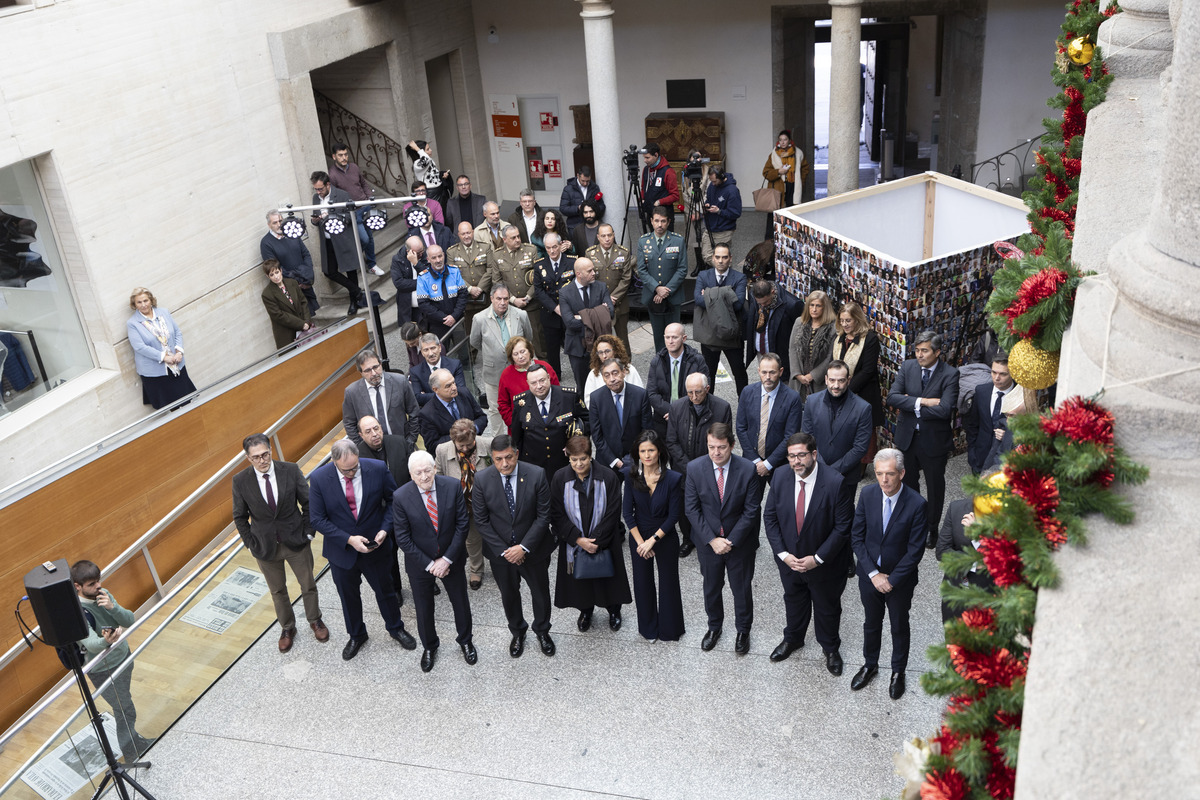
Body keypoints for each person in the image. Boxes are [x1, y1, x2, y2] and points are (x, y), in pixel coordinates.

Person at [307, 440, 417, 660]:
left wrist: (385, 529)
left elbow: (394, 502)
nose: (351, 473)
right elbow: (317, 519)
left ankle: (395, 628)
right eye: (345, 470)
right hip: (342, 551)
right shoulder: (319, 479)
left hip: (375, 546)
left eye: (354, 467)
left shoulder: (375, 468)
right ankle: (357, 634)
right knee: (348, 597)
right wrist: (348, 539)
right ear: (334, 462)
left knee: (385, 591)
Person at [762, 432, 853, 675]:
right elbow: (770, 517)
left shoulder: (835, 482)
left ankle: (830, 648)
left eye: (801, 455)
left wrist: (818, 559)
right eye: (791, 456)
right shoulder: (780, 476)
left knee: (827, 607)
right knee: (793, 600)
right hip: (789, 561)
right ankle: (793, 638)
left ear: (814, 454)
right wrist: (783, 554)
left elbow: (843, 527)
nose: (796, 461)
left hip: (824, 564)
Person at [232, 433, 327, 653]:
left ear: (271, 450)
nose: (262, 460)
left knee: (308, 584)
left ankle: (315, 620)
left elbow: (308, 502)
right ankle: (287, 628)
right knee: (277, 591)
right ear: (248, 458)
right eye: (256, 457)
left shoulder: (290, 470)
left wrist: (309, 533)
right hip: (265, 547)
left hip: (296, 541)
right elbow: (239, 516)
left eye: (265, 454)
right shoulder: (240, 480)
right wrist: (250, 543)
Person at [849, 449, 927, 700]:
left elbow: (915, 552)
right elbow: (857, 537)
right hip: (869, 576)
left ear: (902, 473)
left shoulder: (917, 504)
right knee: (871, 623)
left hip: (899, 581)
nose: (884, 480)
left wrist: (890, 580)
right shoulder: (867, 494)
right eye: (880, 473)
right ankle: (870, 664)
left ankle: (898, 672)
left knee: (898, 626)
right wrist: (873, 574)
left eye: (890, 474)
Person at [392, 451, 476, 672]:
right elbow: (403, 538)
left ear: (435, 469)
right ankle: (429, 646)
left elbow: (462, 525)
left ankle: (466, 641)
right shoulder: (401, 497)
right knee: (423, 608)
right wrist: (431, 565)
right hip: (420, 565)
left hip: (452, 559)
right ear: (411, 475)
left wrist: (446, 560)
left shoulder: (452, 486)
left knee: (460, 602)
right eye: (418, 473)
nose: (424, 476)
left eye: (427, 470)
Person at [684, 422, 764, 655]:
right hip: (708, 544)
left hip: (738, 544)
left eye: (721, 447)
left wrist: (730, 541)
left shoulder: (748, 469)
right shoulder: (695, 468)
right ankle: (714, 627)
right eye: (711, 447)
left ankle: (743, 631)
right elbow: (692, 509)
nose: (716, 453)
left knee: (741, 589)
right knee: (711, 587)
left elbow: (751, 510)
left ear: (731, 445)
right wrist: (712, 540)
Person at [472, 435, 555, 657]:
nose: (505, 464)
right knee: (509, 595)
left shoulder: (536, 474)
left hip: (533, 551)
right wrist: (506, 551)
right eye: (499, 459)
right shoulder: (481, 479)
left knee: (540, 594)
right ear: (492, 458)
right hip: (501, 556)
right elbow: (481, 520)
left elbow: (543, 516)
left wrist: (523, 547)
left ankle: (542, 630)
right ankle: (517, 632)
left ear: (516, 453)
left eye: (509, 457)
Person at [71, 560, 156, 759]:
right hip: (102, 670)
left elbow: (129, 620)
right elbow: (91, 644)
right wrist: (106, 642)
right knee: (125, 708)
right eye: (91, 584)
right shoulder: (76, 612)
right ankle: (130, 752)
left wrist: (112, 608)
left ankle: (134, 741)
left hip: (123, 658)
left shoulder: (104, 595)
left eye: (98, 581)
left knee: (124, 704)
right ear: (78, 587)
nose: (98, 586)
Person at [886, 330, 960, 550]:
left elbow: (946, 410)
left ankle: (931, 527)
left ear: (937, 352)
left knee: (935, 486)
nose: (919, 355)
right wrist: (924, 402)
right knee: (908, 483)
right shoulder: (908, 367)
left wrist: (910, 404)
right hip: (907, 438)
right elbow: (892, 397)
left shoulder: (950, 374)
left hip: (934, 441)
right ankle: (916, 520)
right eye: (917, 350)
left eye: (924, 351)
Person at [551, 435, 631, 632]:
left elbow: (613, 511)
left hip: (604, 541)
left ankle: (613, 610)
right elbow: (556, 513)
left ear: (591, 456)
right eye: (574, 460)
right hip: (574, 542)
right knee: (581, 584)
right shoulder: (560, 478)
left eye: (583, 459)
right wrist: (578, 539)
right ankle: (585, 610)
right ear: (568, 458)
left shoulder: (608, 477)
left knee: (608, 580)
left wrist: (595, 540)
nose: (579, 464)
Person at [622, 430, 685, 641]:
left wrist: (653, 540)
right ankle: (648, 629)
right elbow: (627, 514)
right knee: (642, 583)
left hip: (664, 536)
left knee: (669, 582)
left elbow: (674, 515)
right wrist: (641, 543)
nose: (647, 455)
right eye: (643, 451)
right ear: (637, 453)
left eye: (651, 450)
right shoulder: (631, 476)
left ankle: (670, 630)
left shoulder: (673, 478)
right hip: (639, 536)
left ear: (659, 452)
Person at [665, 372, 732, 558]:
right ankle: (688, 539)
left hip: (710, 467)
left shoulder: (722, 408)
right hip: (683, 469)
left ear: (707, 389)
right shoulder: (677, 407)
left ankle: (710, 536)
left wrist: (703, 467)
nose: (694, 397)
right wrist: (690, 467)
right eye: (690, 393)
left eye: (698, 392)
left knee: (710, 503)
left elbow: (724, 442)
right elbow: (671, 441)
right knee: (686, 507)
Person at [801, 361, 873, 504]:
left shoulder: (863, 408)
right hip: (815, 471)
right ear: (826, 379)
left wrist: (832, 471)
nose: (836, 385)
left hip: (846, 476)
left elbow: (860, 447)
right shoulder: (812, 401)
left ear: (848, 380)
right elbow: (807, 437)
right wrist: (820, 467)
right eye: (832, 380)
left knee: (843, 518)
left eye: (841, 381)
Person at [434, 419, 492, 591]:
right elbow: (439, 477)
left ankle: (500, 565)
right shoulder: (442, 450)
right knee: (472, 539)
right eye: (461, 446)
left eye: (469, 445)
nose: (465, 449)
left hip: (488, 503)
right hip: (463, 506)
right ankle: (476, 570)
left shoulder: (488, 444)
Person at [470, 283, 534, 434]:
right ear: (491, 299)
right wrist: (493, 352)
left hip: (519, 370)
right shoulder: (479, 319)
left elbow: (528, 337)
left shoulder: (521, 315)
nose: (503, 302)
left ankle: (525, 435)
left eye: (506, 298)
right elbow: (475, 342)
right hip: (493, 372)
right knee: (495, 409)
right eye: (499, 298)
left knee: (523, 404)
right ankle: (500, 440)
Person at [511, 362, 588, 477]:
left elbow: (588, 421)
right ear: (528, 384)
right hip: (534, 467)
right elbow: (517, 438)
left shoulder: (569, 397)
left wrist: (576, 445)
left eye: (542, 380)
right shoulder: (521, 403)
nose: (539, 386)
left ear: (548, 378)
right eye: (534, 383)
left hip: (565, 464)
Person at [126, 287, 197, 409]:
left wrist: (179, 352)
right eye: (139, 302)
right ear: (134, 304)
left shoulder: (164, 312)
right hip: (156, 372)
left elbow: (177, 332)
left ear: (151, 300)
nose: (143, 305)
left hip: (176, 364)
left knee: (187, 401)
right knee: (171, 407)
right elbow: (140, 347)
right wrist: (164, 357)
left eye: (145, 301)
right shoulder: (132, 323)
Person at [693, 242, 749, 395]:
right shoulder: (703, 276)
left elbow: (738, 304)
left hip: (732, 336)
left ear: (730, 259)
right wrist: (726, 293)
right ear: (712, 258)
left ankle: (744, 407)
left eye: (724, 257)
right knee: (708, 375)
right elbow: (698, 299)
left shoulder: (739, 277)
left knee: (739, 373)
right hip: (710, 336)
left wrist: (710, 294)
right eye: (717, 257)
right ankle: (707, 411)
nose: (721, 261)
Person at [736, 354, 803, 479]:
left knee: (782, 499)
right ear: (758, 371)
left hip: (779, 463)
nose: (767, 377)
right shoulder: (747, 392)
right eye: (764, 372)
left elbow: (790, 435)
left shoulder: (792, 398)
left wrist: (768, 464)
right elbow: (741, 428)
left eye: (772, 372)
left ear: (781, 371)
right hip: (752, 462)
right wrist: (756, 461)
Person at [310, 171, 366, 316]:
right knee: (329, 271)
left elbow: (350, 216)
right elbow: (315, 218)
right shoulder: (316, 198)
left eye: (320, 189)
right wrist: (315, 220)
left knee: (350, 270)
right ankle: (357, 291)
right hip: (327, 239)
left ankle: (354, 301)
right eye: (316, 189)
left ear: (328, 185)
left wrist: (333, 217)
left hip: (342, 237)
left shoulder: (342, 195)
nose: (318, 192)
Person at [834, 302, 885, 460]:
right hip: (841, 390)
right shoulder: (840, 337)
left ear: (857, 319)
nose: (844, 324)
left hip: (863, 393)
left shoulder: (869, 339)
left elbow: (868, 371)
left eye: (848, 320)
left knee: (863, 432)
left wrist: (845, 388)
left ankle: (862, 464)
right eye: (842, 320)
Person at [342, 350, 420, 450]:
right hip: (371, 450)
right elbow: (349, 424)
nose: (374, 373)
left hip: (402, 444)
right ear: (361, 372)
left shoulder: (400, 382)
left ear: (381, 364)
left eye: (376, 367)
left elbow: (415, 412)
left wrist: (410, 440)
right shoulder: (352, 392)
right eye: (368, 370)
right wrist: (362, 447)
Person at [637, 206, 689, 354]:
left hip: (673, 296)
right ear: (651, 221)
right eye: (657, 221)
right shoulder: (643, 242)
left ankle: (677, 361)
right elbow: (641, 270)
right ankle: (661, 365)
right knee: (659, 335)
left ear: (668, 222)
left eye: (663, 221)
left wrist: (666, 290)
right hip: (653, 297)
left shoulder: (678, 241)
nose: (660, 225)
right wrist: (657, 288)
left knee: (675, 335)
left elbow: (682, 269)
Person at [935, 497, 993, 624]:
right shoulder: (956, 508)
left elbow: (1001, 558)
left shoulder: (1009, 519)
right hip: (956, 590)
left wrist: (978, 537)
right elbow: (941, 551)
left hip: (989, 596)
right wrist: (973, 563)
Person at [487, 224, 543, 355]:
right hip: (510, 306)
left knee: (538, 341)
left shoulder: (531, 250)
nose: (518, 239)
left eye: (518, 236)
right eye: (513, 238)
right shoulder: (497, 255)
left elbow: (538, 277)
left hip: (531, 303)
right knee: (514, 343)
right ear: (505, 239)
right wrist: (512, 299)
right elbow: (497, 281)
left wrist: (528, 297)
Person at [559, 257, 614, 390]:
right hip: (577, 348)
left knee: (605, 383)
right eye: (590, 271)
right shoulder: (565, 292)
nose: (594, 273)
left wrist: (582, 317)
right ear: (579, 274)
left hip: (600, 345)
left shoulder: (601, 287)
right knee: (582, 387)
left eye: (593, 269)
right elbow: (570, 323)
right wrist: (599, 312)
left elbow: (610, 313)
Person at [590, 357, 653, 472]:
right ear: (603, 378)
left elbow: (647, 430)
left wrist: (637, 456)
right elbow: (597, 435)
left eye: (615, 373)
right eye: (607, 375)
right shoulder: (596, 399)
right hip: (608, 460)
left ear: (623, 372)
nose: (612, 379)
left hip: (636, 458)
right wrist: (614, 461)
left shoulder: (640, 395)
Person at [645, 322, 706, 442]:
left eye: (674, 337)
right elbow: (652, 393)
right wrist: (671, 411)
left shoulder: (697, 360)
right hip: (663, 418)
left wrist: (679, 413)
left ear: (684, 338)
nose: (670, 341)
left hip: (690, 416)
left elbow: (703, 390)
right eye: (667, 337)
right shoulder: (657, 361)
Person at [327, 141, 380, 274]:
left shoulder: (354, 167)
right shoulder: (331, 175)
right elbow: (335, 196)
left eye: (345, 154)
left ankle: (372, 265)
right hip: (352, 212)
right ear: (334, 157)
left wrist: (369, 199)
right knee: (364, 239)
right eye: (340, 155)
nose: (344, 158)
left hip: (365, 207)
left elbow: (363, 184)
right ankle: (356, 260)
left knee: (370, 238)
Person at [532, 231, 577, 379]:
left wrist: (566, 308)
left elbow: (576, 288)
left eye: (555, 247)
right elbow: (538, 291)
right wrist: (555, 308)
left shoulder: (571, 262)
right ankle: (555, 376)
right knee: (552, 349)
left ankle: (578, 373)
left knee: (573, 346)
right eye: (548, 247)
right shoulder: (539, 266)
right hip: (550, 314)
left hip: (570, 313)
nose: (552, 251)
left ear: (560, 245)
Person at [964, 355, 1019, 475]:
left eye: (1003, 374)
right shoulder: (981, 391)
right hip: (979, 457)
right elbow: (973, 424)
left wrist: (1009, 435)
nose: (996, 378)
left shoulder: (1020, 396)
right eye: (993, 372)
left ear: (1013, 374)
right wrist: (972, 452)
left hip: (1005, 461)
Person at [585, 223, 633, 353]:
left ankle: (626, 368)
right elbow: (589, 279)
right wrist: (604, 299)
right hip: (599, 305)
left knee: (622, 341)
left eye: (609, 235)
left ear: (613, 235)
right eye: (603, 236)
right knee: (602, 341)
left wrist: (614, 298)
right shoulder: (590, 254)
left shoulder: (623, 252)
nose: (607, 239)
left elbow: (626, 278)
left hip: (619, 304)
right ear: (598, 237)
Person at [497, 335, 559, 433]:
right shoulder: (506, 375)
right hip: (521, 428)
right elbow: (503, 404)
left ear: (530, 351)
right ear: (511, 357)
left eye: (523, 351)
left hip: (549, 422)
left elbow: (558, 394)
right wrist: (513, 423)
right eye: (515, 354)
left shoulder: (545, 367)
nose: (520, 356)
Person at [261, 210, 318, 314]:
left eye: (280, 221)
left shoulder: (292, 232)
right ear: (269, 225)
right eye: (275, 223)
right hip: (291, 287)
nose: (279, 225)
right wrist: (298, 282)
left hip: (306, 281)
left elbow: (306, 254)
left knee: (315, 312)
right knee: (305, 318)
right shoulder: (266, 243)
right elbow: (274, 268)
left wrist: (307, 276)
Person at [416, 367, 487, 450]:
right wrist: (459, 437)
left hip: (475, 447)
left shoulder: (464, 393)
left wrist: (471, 430)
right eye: (448, 386)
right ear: (435, 389)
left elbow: (482, 417)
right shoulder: (427, 414)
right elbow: (432, 444)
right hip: (451, 457)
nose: (454, 387)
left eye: (453, 382)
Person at [745, 279, 801, 382]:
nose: (762, 306)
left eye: (766, 302)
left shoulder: (792, 305)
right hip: (761, 352)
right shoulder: (753, 296)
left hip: (780, 356)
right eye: (759, 303)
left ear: (772, 292)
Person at [446, 220, 493, 337]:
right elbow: (452, 275)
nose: (466, 236)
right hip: (466, 300)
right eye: (463, 234)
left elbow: (491, 269)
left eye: (468, 233)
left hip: (485, 297)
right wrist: (470, 289)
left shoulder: (485, 247)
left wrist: (480, 288)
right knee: (471, 334)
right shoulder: (452, 252)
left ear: (473, 232)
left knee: (491, 331)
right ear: (458, 235)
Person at [789, 290, 838, 401]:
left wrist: (813, 375)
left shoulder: (833, 327)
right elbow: (792, 349)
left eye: (818, 306)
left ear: (825, 307)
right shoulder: (799, 322)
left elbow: (831, 356)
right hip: (798, 379)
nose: (814, 309)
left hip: (819, 382)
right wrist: (797, 374)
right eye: (811, 305)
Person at [415, 244, 468, 344]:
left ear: (444, 255)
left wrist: (454, 316)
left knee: (464, 353)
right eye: (434, 258)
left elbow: (463, 295)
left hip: (457, 320)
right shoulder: (423, 278)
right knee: (441, 353)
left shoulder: (454, 271)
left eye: (440, 256)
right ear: (428, 259)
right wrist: (444, 318)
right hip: (437, 325)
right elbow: (423, 304)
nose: (438, 260)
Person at [762, 129, 809, 235]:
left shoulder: (798, 153)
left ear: (790, 141)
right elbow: (765, 173)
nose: (782, 142)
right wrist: (779, 172)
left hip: (793, 187)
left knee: (791, 213)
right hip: (777, 188)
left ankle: (790, 237)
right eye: (780, 140)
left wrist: (801, 180)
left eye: (785, 139)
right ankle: (772, 238)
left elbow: (805, 168)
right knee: (774, 214)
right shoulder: (773, 154)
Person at [260, 259, 313, 349]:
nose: (276, 277)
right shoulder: (267, 294)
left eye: (277, 272)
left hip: (304, 327)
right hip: (287, 334)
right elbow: (278, 315)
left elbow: (303, 302)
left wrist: (307, 321)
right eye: (272, 275)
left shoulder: (292, 282)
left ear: (281, 270)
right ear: (267, 276)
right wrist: (301, 324)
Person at [409, 332, 468, 407]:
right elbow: (418, 398)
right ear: (422, 352)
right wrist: (448, 392)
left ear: (439, 348)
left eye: (433, 348)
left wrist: (428, 395)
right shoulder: (416, 372)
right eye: (426, 350)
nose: (430, 353)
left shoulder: (455, 365)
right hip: (432, 412)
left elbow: (461, 391)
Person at [700, 166, 741, 269]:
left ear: (722, 177)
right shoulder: (712, 186)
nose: (713, 184)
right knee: (707, 255)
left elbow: (736, 213)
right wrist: (707, 205)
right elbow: (709, 199)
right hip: (711, 226)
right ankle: (724, 272)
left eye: (714, 181)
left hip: (724, 229)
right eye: (711, 181)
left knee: (721, 258)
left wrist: (719, 211)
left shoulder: (732, 191)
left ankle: (727, 276)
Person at [640, 143, 679, 230]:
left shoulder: (668, 171)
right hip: (650, 213)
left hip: (664, 214)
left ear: (656, 155)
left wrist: (660, 202)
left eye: (647, 157)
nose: (645, 160)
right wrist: (642, 198)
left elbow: (675, 196)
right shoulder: (646, 169)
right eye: (644, 158)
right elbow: (643, 187)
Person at [390, 235, 426, 328]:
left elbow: (429, 278)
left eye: (422, 251)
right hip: (407, 308)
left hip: (425, 307)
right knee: (411, 337)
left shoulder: (425, 256)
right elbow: (399, 283)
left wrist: (417, 263)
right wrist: (421, 283)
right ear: (408, 251)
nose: (421, 254)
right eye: (418, 253)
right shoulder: (397, 259)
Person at [405, 139, 452, 206]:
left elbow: (431, 174)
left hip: (440, 191)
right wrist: (417, 149)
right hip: (431, 194)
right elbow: (426, 159)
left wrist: (442, 176)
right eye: (427, 149)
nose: (431, 150)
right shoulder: (418, 163)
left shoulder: (429, 160)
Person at [559, 165, 605, 231]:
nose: (585, 183)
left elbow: (602, 206)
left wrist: (593, 209)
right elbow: (563, 208)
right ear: (578, 176)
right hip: (575, 226)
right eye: (583, 181)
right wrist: (578, 209)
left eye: (588, 181)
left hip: (592, 225)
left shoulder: (594, 188)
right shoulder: (568, 189)